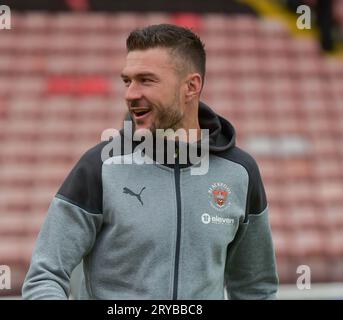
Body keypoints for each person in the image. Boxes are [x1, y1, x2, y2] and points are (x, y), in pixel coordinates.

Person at [22, 24, 278, 300]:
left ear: (191, 86)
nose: (130, 94)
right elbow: (44, 277)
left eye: (146, 80)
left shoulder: (240, 173)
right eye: (127, 81)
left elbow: (255, 289)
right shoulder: (99, 167)